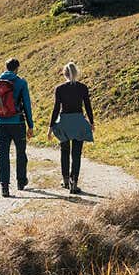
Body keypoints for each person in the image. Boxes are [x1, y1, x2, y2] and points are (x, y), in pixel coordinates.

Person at [0, 57, 34, 198]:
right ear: (17, 68)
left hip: (1, 124)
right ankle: (21, 182)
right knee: (21, 152)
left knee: (3, 154)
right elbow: (26, 104)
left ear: (5, 67)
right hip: (18, 123)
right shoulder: (21, 82)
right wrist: (30, 125)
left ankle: (4, 187)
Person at [48, 61, 94, 194]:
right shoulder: (83, 88)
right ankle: (74, 183)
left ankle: (65, 180)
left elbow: (56, 108)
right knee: (76, 154)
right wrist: (91, 122)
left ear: (65, 74)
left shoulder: (60, 89)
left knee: (64, 152)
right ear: (76, 73)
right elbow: (88, 106)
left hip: (65, 122)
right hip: (79, 121)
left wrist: (51, 127)